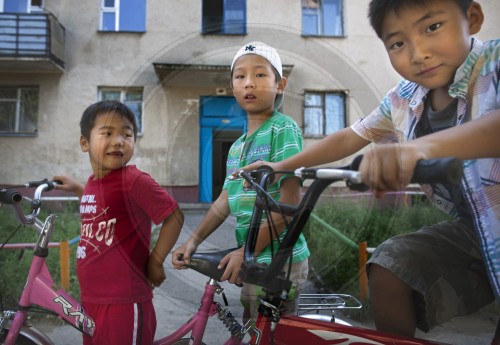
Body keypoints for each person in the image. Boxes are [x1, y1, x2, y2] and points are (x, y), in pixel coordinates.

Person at [240, 0, 500, 340]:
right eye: (398, 43)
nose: (418, 52)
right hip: (476, 230)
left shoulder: (494, 64)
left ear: (473, 18)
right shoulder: (404, 98)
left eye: (432, 27)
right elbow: (351, 136)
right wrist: (280, 165)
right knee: (389, 265)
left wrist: (414, 151)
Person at [172, 42, 310, 323]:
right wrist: (193, 242)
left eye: (260, 75)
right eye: (240, 76)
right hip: (251, 257)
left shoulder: (283, 129)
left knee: (274, 332)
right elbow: (225, 200)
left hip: (280, 260)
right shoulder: (236, 147)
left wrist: (246, 251)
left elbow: (290, 201)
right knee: (252, 324)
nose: (249, 83)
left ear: (280, 84)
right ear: (232, 86)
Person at [53, 100, 184, 345]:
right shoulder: (94, 181)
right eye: (107, 133)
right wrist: (77, 188)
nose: (119, 141)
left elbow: (174, 216)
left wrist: (155, 261)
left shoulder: (133, 180)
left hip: (124, 301)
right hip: (92, 298)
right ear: (85, 143)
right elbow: (105, 203)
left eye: (127, 134)